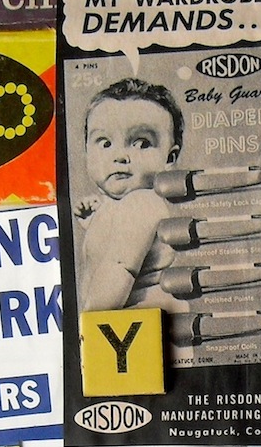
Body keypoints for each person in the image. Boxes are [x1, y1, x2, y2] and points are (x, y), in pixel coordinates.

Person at [77, 77, 185, 313]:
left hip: (144, 327)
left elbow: (118, 269)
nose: (120, 156)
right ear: (86, 151)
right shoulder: (121, 206)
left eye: (141, 143)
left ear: (169, 158)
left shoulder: (143, 203)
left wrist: (89, 322)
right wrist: (96, 224)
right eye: (105, 143)